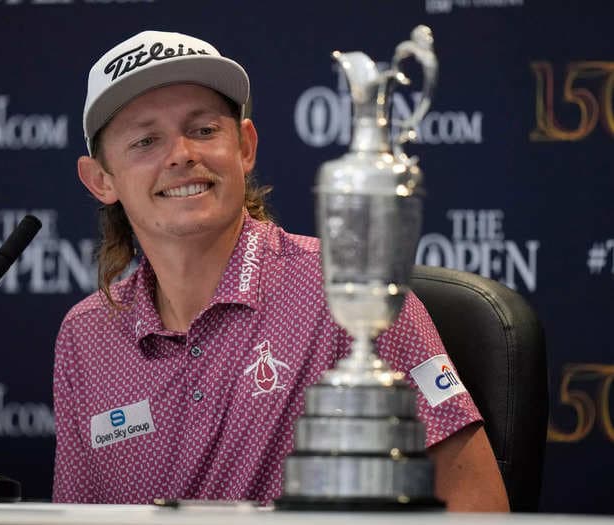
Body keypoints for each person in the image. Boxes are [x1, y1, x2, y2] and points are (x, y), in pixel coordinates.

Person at [52, 30, 509, 511]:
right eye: (146, 140)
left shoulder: (346, 292)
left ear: (245, 147)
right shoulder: (85, 336)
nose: (182, 154)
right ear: (101, 180)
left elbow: (477, 509)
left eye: (204, 130)